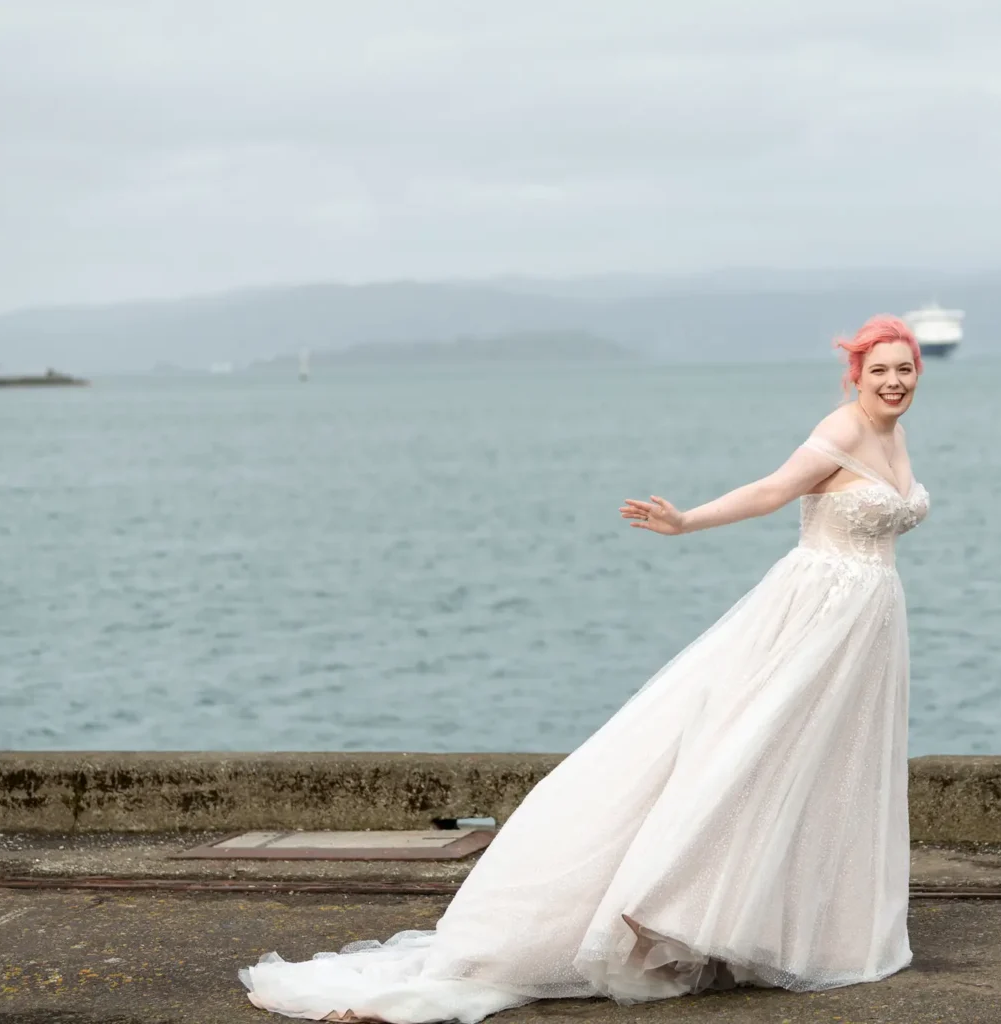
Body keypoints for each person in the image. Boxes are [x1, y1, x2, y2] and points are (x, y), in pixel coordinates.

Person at [240, 314, 931, 1023]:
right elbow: (772, 491)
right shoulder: (843, 429)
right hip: (811, 614)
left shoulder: (895, 434)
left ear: (918, 373)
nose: (892, 381)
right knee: (744, 751)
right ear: (856, 375)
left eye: (903, 369)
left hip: (865, 625)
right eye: (878, 370)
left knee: (824, 766)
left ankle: (800, 923)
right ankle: (668, 906)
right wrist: (687, 520)